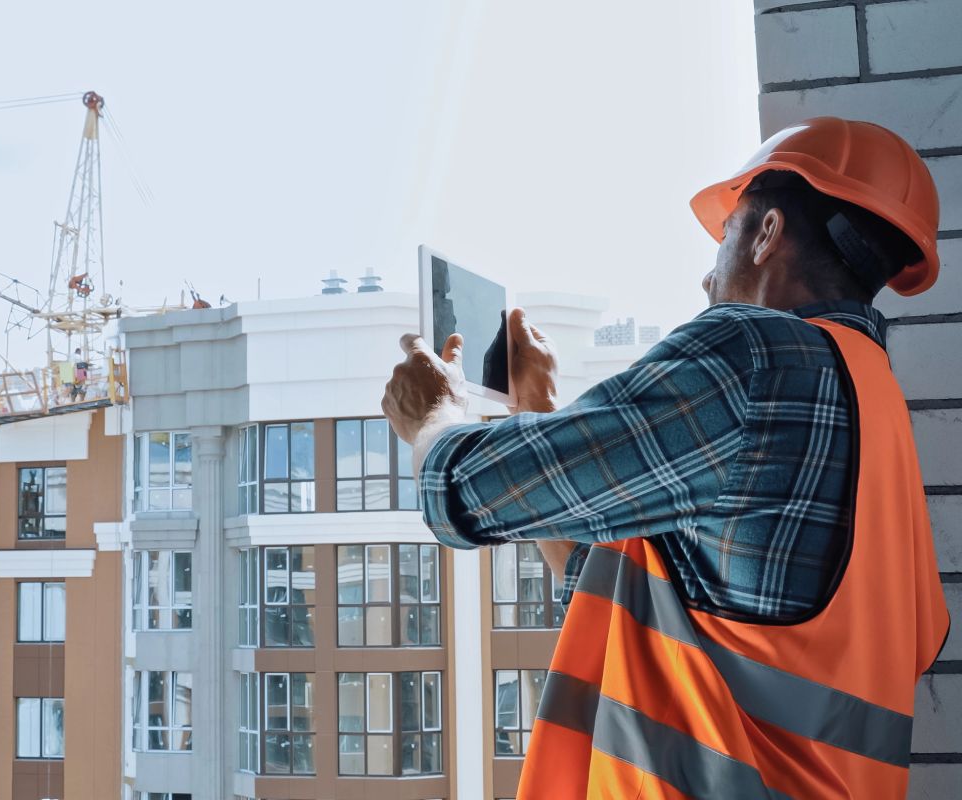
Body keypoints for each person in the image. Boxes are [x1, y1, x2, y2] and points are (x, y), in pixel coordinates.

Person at [382, 117, 949, 799]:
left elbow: (465, 490)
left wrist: (433, 417)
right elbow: (607, 582)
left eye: (728, 233)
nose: (708, 277)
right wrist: (536, 406)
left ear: (767, 233)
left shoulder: (756, 353)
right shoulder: (878, 405)